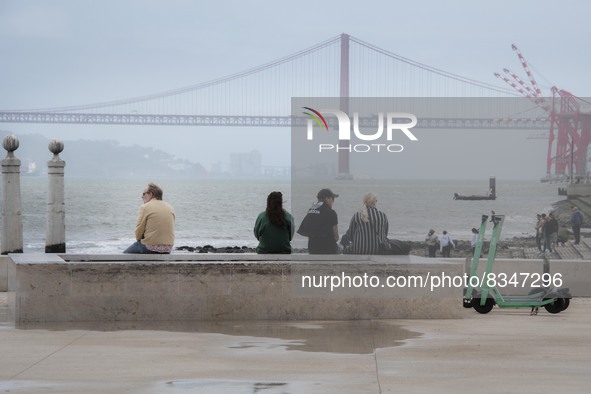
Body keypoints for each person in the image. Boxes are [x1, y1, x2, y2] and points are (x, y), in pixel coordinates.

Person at [124, 182, 175, 254]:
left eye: (144, 194)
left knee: (124, 255)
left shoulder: (145, 207)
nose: (142, 196)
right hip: (168, 248)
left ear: (150, 194)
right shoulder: (170, 207)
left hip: (149, 248)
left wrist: (140, 240)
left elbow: (138, 233)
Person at [297, 188, 340, 254]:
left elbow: (304, 230)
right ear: (327, 199)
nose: (333, 201)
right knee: (341, 249)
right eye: (332, 199)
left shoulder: (311, 210)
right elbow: (336, 237)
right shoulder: (331, 212)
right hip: (329, 249)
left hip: (312, 249)